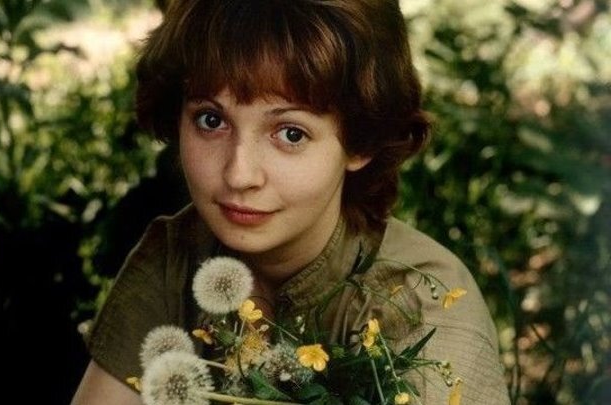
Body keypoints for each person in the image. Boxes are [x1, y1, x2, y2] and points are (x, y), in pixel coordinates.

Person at [71, 0, 511, 404]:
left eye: (291, 134)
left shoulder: (420, 308)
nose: (239, 174)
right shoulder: (175, 257)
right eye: (211, 120)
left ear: (361, 141)